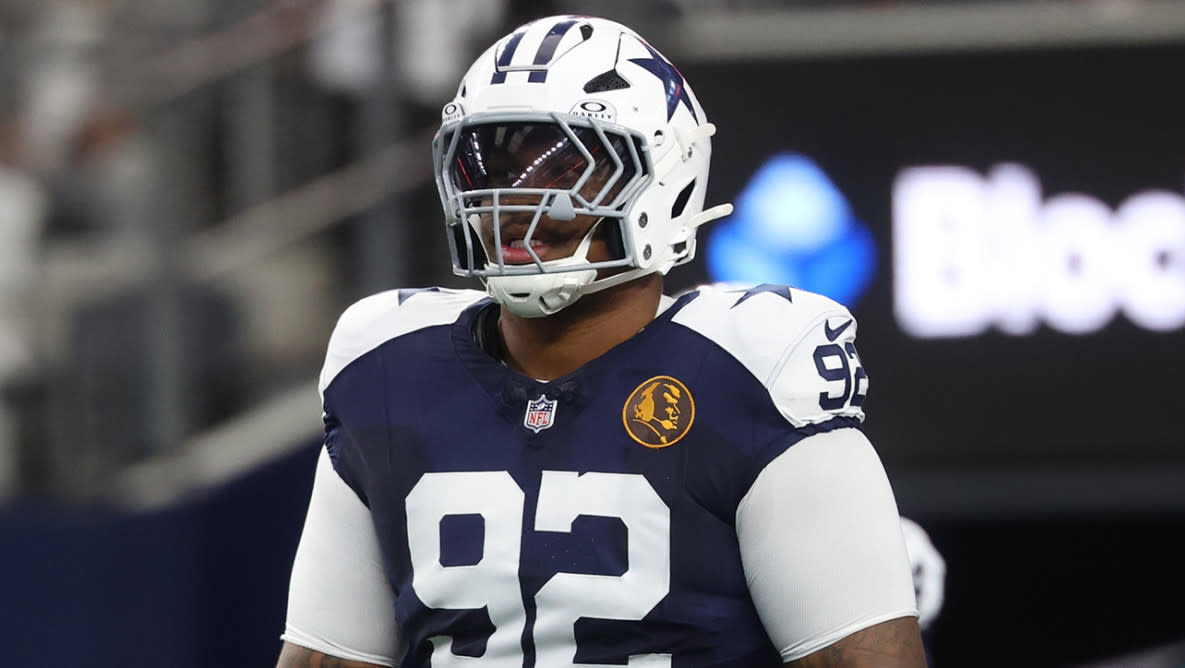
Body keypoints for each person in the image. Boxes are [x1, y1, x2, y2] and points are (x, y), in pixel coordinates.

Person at [278, 15, 925, 668]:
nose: (517, 195)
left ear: (662, 179)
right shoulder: (386, 367)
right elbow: (327, 658)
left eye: (565, 166)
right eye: (493, 164)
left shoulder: (751, 373)